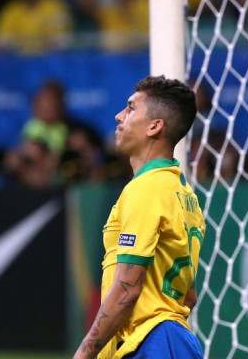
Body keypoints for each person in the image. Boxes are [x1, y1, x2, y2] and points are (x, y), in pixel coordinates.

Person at [73, 76, 206, 359]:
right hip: (167, 338)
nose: (119, 116)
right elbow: (188, 296)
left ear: (155, 126)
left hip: (154, 341)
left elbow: (127, 288)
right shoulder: (183, 193)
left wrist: (85, 351)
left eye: (131, 108)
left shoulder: (146, 189)